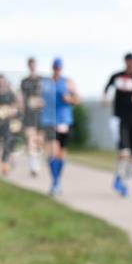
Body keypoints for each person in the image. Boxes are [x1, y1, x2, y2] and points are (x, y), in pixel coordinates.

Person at [102, 52, 132, 197]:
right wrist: (105, 98)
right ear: (126, 61)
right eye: (130, 61)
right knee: (124, 152)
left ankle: (124, 180)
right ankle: (119, 176)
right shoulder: (116, 76)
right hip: (119, 118)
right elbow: (106, 89)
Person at [40, 58, 80, 196]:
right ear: (52, 68)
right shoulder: (45, 83)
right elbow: (37, 99)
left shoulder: (68, 82)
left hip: (64, 120)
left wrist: (70, 99)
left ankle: (57, 181)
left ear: (61, 68)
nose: (57, 69)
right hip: (49, 120)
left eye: (59, 67)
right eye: (55, 67)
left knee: (61, 154)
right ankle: (55, 182)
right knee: (52, 150)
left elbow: (77, 99)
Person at [0, 75, 20, 176]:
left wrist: (11, 110)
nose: (1, 83)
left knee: (7, 141)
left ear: (5, 82)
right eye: (0, 81)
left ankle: (4, 165)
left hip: (6, 122)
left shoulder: (10, 93)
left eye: (3, 81)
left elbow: (15, 104)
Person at [20, 57, 46, 177]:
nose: (32, 66)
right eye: (30, 64)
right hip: (29, 115)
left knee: (39, 141)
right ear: (28, 66)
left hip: (41, 115)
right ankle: (33, 166)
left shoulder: (42, 80)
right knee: (31, 140)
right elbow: (21, 97)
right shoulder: (24, 81)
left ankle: (38, 161)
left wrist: (43, 103)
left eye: (34, 64)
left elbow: (47, 96)